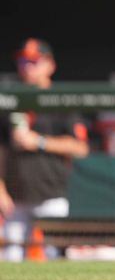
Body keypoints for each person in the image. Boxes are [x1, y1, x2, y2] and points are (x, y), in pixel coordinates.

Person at [0, 38, 90, 262]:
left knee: (53, 257)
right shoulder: (10, 100)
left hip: (51, 192)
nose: (26, 67)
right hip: (14, 196)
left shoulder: (61, 102)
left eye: (33, 61)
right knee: (9, 258)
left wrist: (39, 141)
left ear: (50, 65)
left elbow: (80, 147)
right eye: (22, 61)